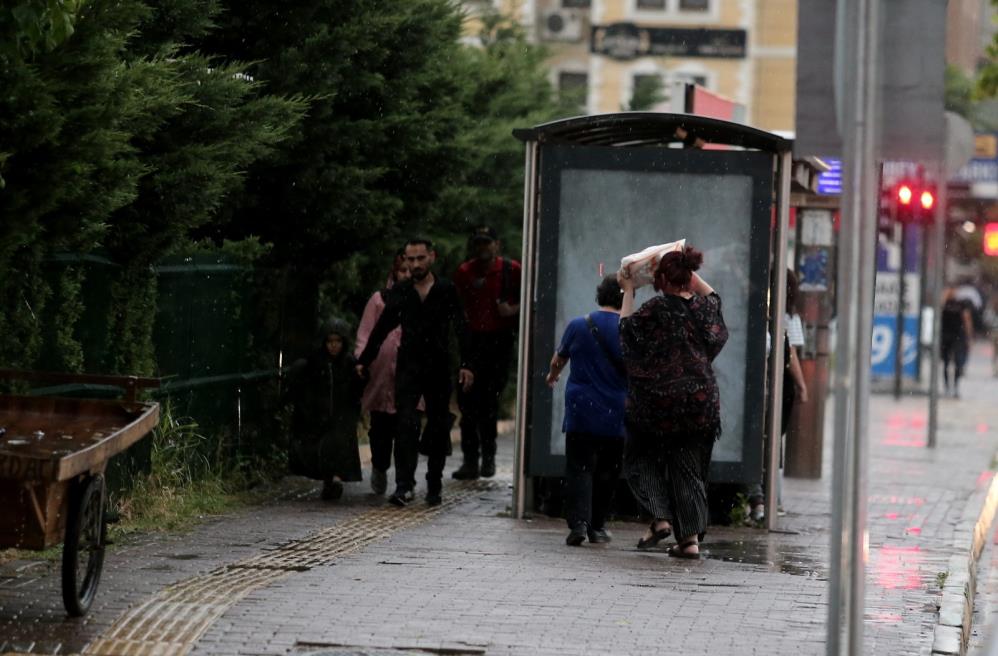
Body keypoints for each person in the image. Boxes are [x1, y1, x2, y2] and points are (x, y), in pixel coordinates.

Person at [618, 245, 728, 559]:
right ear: (689, 276)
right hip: (700, 402)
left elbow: (626, 333)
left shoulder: (656, 309)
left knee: (639, 458)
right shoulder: (704, 309)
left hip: (659, 402)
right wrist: (686, 269)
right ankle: (690, 541)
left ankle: (660, 516)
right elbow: (714, 297)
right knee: (688, 468)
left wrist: (629, 288)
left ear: (663, 279)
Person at [356, 238, 474, 507]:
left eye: (420, 258)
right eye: (410, 259)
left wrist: (467, 364)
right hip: (409, 367)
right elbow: (383, 327)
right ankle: (404, 485)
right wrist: (365, 360)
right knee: (405, 424)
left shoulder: (446, 289)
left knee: (437, 425)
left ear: (432, 257)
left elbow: (461, 327)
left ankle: (434, 483)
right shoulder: (401, 291)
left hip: (438, 367)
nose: (415, 264)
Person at [545, 275, 628, 546]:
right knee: (608, 470)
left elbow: (558, 359)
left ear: (599, 295)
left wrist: (552, 375)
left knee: (579, 466)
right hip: (615, 410)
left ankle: (578, 523)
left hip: (581, 408)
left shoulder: (578, 325)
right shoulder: (627, 329)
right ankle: (597, 525)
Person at [453, 225, 521, 480]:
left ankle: (489, 457)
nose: (483, 247)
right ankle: (471, 460)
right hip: (472, 341)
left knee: (489, 404)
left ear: (496, 244)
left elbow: (529, 301)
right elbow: (458, 308)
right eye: (479, 243)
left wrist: (511, 310)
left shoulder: (511, 270)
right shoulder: (465, 272)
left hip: (499, 342)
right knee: (468, 404)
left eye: (487, 242)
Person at [354, 250, 419, 495]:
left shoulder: (422, 298)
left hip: (409, 379)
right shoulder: (379, 300)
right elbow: (365, 334)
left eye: (410, 270)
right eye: (402, 270)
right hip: (380, 379)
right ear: (394, 271)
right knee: (380, 432)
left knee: (407, 431)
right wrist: (363, 361)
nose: (406, 275)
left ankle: (405, 481)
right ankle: (380, 467)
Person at [748, 269, 809, 523]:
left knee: (761, 439)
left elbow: (789, 352)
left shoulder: (761, 312)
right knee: (773, 440)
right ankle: (771, 497)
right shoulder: (788, 316)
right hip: (781, 385)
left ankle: (763, 498)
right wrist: (801, 385)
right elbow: (791, 354)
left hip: (765, 384)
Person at [288, 318, 364, 500]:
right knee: (324, 450)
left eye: (337, 341)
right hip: (320, 414)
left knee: (337, 446)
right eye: (330, 341)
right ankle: (331, 480)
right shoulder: (316, 362)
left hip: (342, 414)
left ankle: (335, 479)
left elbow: (357, 388)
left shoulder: (349, 363)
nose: (334, 346)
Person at [941, 286, 974, 398]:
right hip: (945, 337)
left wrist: (969, 337)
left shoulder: (961, 304)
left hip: (957, 337)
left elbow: (967, 320)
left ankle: (955, 387)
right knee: (946, 363)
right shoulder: (944, 303)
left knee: (957, 363)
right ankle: (947, 387)